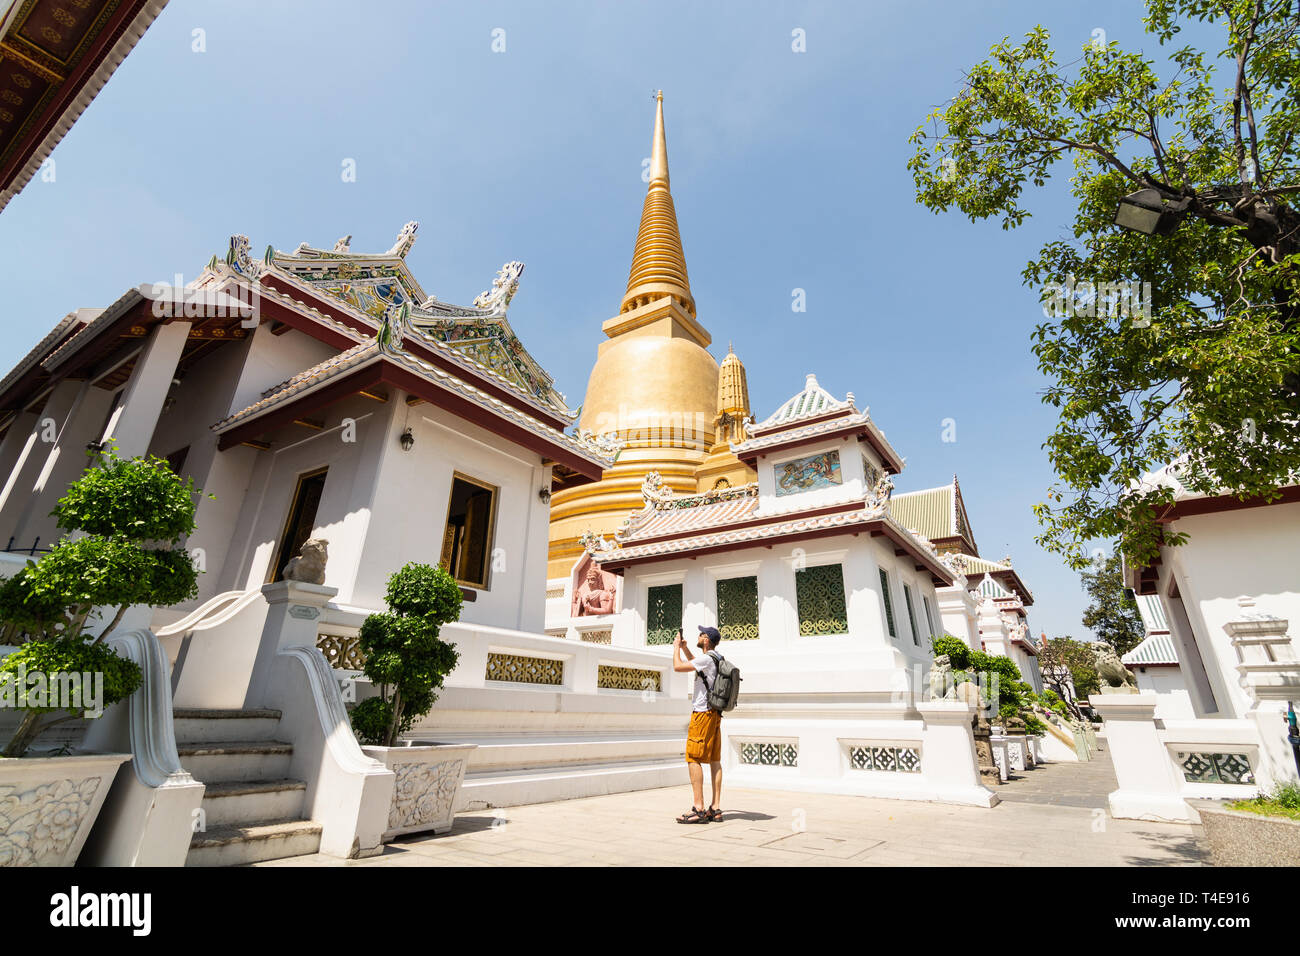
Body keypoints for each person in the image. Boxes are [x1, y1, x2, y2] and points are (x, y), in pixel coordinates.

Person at [672, 625, 723, 823]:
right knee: (714, 760)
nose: (699, 636)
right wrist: (686, 649)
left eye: (701, 634)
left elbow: (678, 667)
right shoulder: (717, 658)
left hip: (702, 714)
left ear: (707, 640)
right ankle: (715, 808)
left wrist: (676, 647)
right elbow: (697, 664)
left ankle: (699, 808)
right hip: (716, 714)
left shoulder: (706, 658)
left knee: (693, 757)